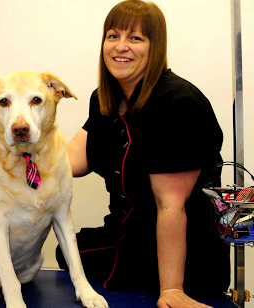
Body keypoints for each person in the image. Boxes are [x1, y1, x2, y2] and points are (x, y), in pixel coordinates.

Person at [55, 1, 230, 308]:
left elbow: (170, 204)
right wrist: (10, 160)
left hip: (181, 253)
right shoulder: (105, 98)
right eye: (113, 36)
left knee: (73, 254)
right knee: (66, 251)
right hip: (126, 235)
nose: (121, 47)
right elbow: (70, 160)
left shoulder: (178, 104)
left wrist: (172, 290)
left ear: (154, 46)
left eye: (135, 38)